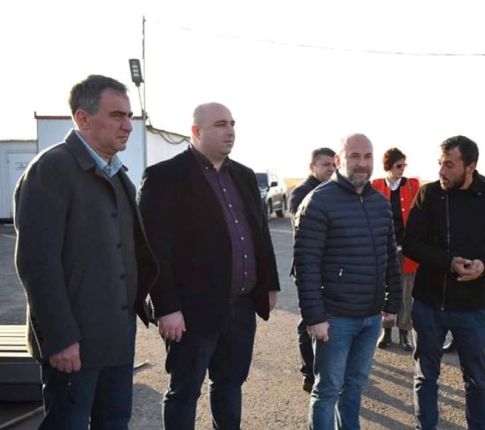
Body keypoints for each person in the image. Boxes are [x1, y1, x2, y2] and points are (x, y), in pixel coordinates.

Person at [14, 74, 158, 429]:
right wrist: (60, 339)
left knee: (114, 422)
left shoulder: (118, 176)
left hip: (116, 340)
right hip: (73, 345)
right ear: (82, 118)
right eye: (116, 116)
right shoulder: (51, 170)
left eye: (129, 116)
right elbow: (37, 265)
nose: (127, 126)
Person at [138, 102, 280, 429]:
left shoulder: (243, 175)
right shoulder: (165, 177)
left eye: (232, 123)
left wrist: (268, 283)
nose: (230, 131)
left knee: (230, 384)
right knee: (184, 391)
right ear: (196, 131)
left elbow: (260, 233)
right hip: (191, 311)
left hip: (241, 306)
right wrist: (166, 307)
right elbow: (154, 250)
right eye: (220, 124)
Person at [403, 135, 485, 430]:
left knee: (477, 380)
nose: (442, 171)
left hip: (471, 308)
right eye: (440, 163)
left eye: (450, 165)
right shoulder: (428, 194)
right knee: (425, 377)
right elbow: (410, 243)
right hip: (428, 304)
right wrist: (448, 261)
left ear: (471, 166)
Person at [293, 133, 401, 430]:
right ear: (339, 160)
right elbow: (306, 265)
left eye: (367, 156)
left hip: (370, 318)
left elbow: (389, 257)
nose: (362, 163)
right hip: (334, 319)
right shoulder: (318, 201)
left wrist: (392, 302)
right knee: (327, 390)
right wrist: (315, 317)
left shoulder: (380, 203)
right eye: (355, 156)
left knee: (354, 386)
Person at [288, 147, 336, 392]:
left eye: (334, 164)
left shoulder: (335, 190)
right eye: (326, 164)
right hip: (309, 269)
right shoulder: (301, 193)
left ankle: (328, 365)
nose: (331, 169)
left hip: (332, 269)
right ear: (312, 167)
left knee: (329, 317)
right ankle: (309, 372)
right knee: (309, 319)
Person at [371, 147, 420, 351]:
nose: (402, 169)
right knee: (385, 291)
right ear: (389, 167)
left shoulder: (412, 185)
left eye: (404, 165)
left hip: (406, 250)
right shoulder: (375, 186)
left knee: (406, 293)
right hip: (383, 249)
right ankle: (386, 331)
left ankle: (404, 333)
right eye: (399, 166)